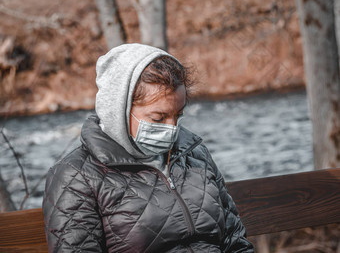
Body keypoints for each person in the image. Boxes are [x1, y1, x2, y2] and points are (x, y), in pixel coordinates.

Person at [43, 43, 254, 252]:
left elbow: (235, 242)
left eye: (177, 115)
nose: (172, 129)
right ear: (119, 110)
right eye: (158, 118)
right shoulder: (77, 175)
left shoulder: (195, 155)